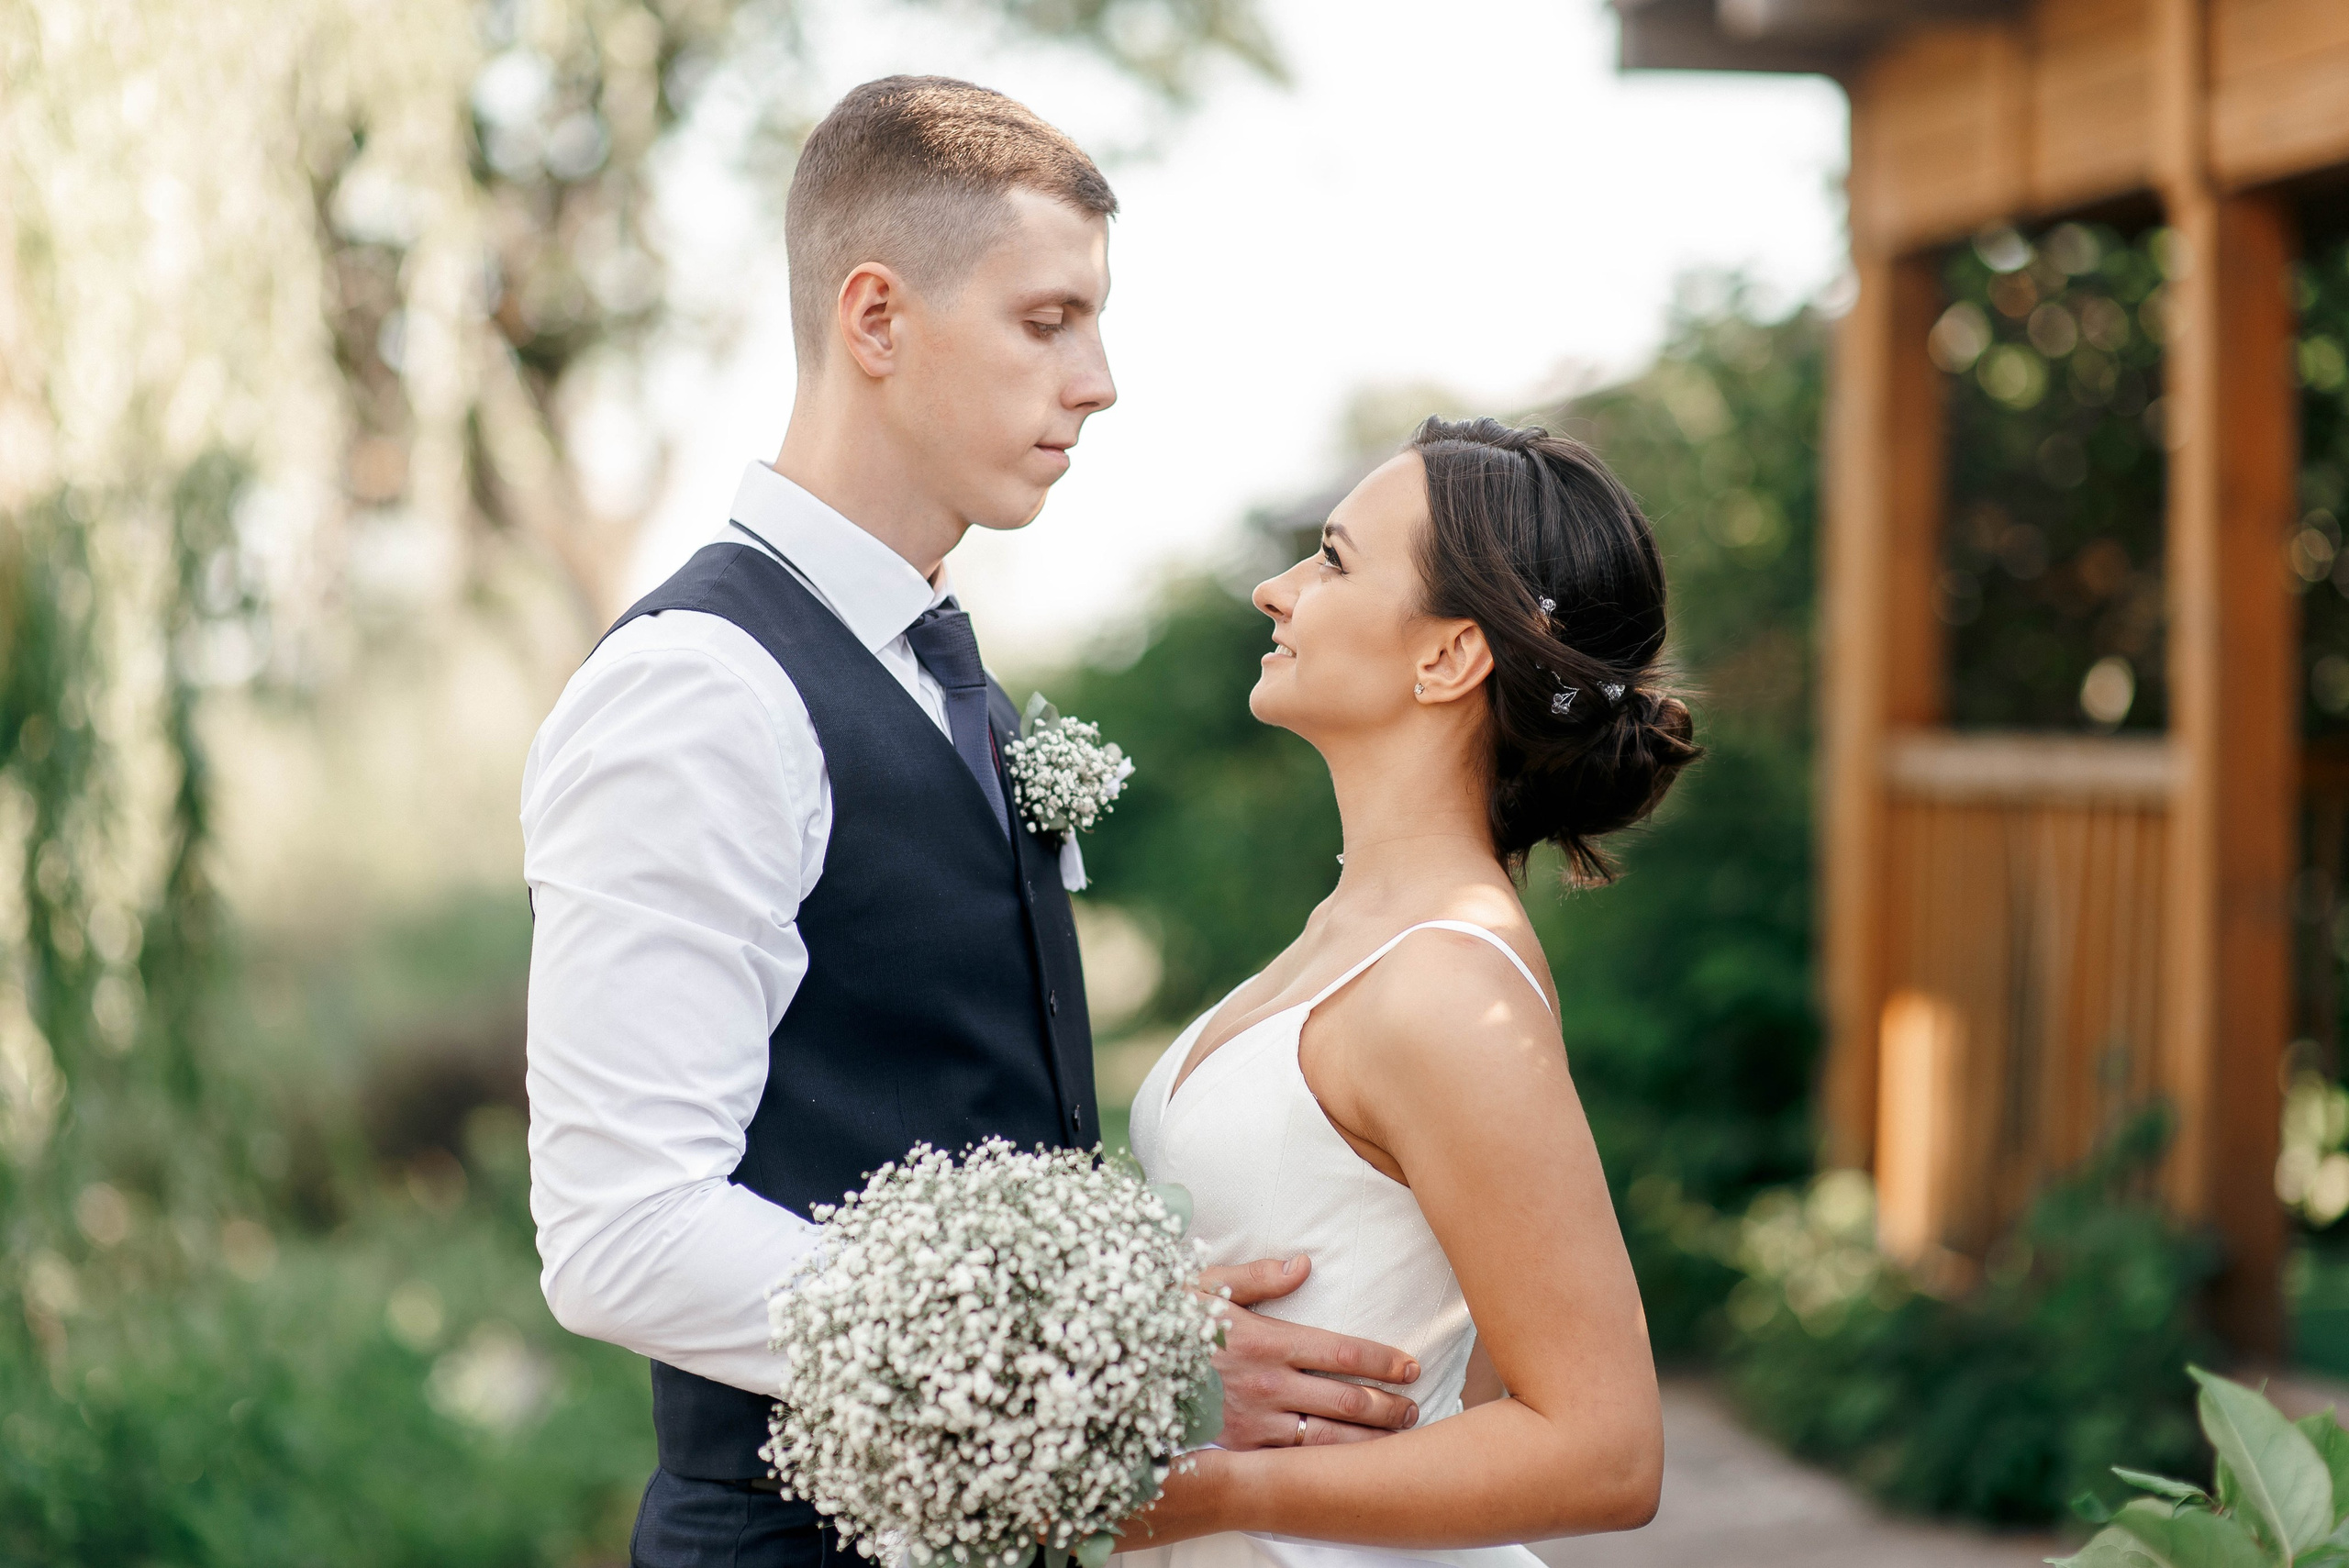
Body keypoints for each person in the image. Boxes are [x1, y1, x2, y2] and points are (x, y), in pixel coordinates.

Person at [518, 76, 1425, 1568]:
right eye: (1048, 320)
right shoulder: (702, 691)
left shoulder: (938, 664)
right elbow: (624, 1231)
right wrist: (1110, 1354)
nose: (1101, 380)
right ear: (875, 319)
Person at [1111, 417, 1693, 1562]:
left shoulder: (1442, 985)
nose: (1276, 590)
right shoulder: (1350, 932)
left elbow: (1605, 1447)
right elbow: (1461, 1356)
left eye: (1331, 559)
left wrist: (1223, 1493)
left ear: (1447, 657)